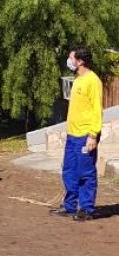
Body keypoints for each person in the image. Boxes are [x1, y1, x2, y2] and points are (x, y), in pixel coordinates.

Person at [51, 47, 102, 221]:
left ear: (80, 61)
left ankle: (87, 209)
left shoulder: (92, 81)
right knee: (69, 171)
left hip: (85, 136)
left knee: (85, 173)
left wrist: (93, 135)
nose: (69, 61)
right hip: (72, 135)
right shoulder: (78, 80)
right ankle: (70, 206)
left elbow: (96, 110)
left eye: (71, 58)